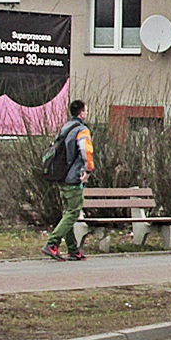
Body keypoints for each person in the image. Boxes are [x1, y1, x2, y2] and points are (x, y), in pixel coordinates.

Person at [42, 99, 95, 261]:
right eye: (86, 110)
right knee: (73, 213)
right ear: (81, 113)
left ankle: (73, 250)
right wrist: (88, 169)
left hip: (62, 176)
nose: (86, 113)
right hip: (74, 178)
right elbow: (86, 150)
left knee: (68, 213)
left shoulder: (66, 128)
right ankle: (52, 244)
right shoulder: (82, 130)